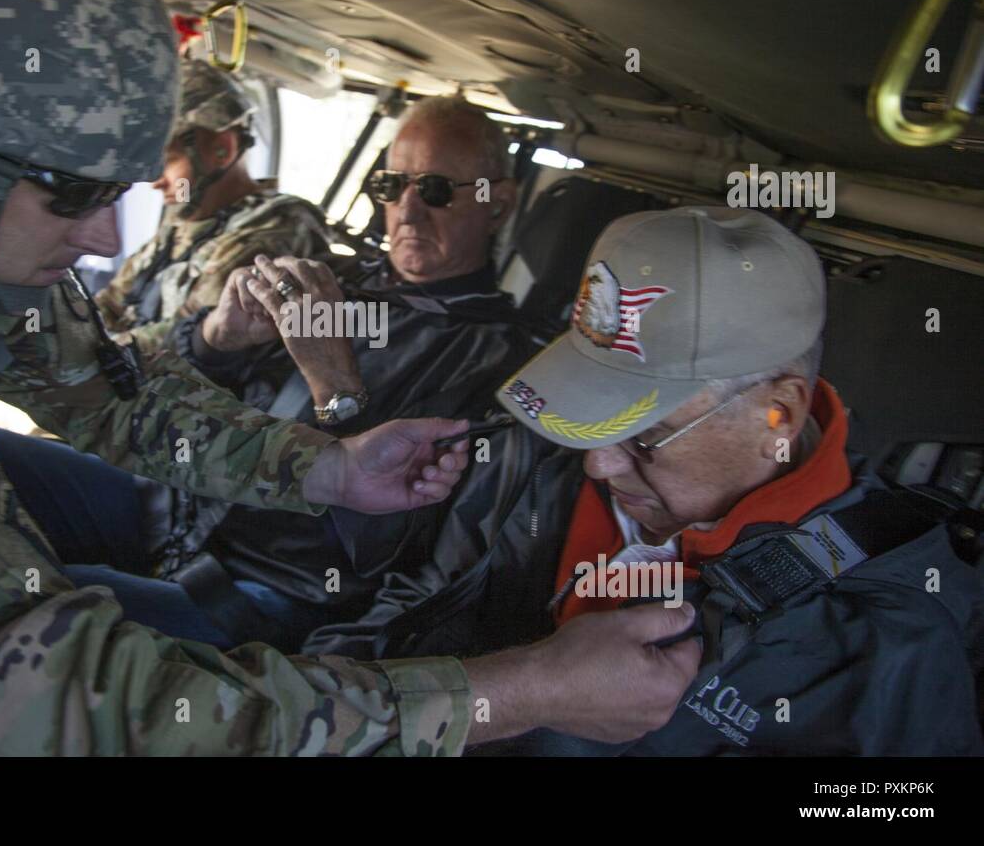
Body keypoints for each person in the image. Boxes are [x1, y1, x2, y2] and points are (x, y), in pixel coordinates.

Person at [0, 0, 697, 755]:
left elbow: (108, 390)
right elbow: (101, 711)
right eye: (72, 192)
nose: (97, 237)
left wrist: (323, 467)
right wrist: (516, 693)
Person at [303, 206, 984, 756]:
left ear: (779, 413)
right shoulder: (536, 471)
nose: (598, 463)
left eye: (644, 435)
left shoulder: (886, 641)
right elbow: (404, 612)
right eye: (591, 417)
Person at [50, 94, 541, 649]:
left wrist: (335, 387)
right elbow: (161, 399)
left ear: (497, 203)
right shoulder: (328, 277)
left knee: (44, 615)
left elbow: (421, 572)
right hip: (169, 504)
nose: (407, 211)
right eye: (390, 187)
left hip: (265, 595)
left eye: (433, 189)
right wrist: (216, 341)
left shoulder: (504, 375)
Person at [93, 58, 332, 353]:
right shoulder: (183, 222)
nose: (155, 181)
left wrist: (99, 355)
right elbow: (112, 299)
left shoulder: (277, 225)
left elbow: (191, 332)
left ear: (223, 149)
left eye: (167, 161)